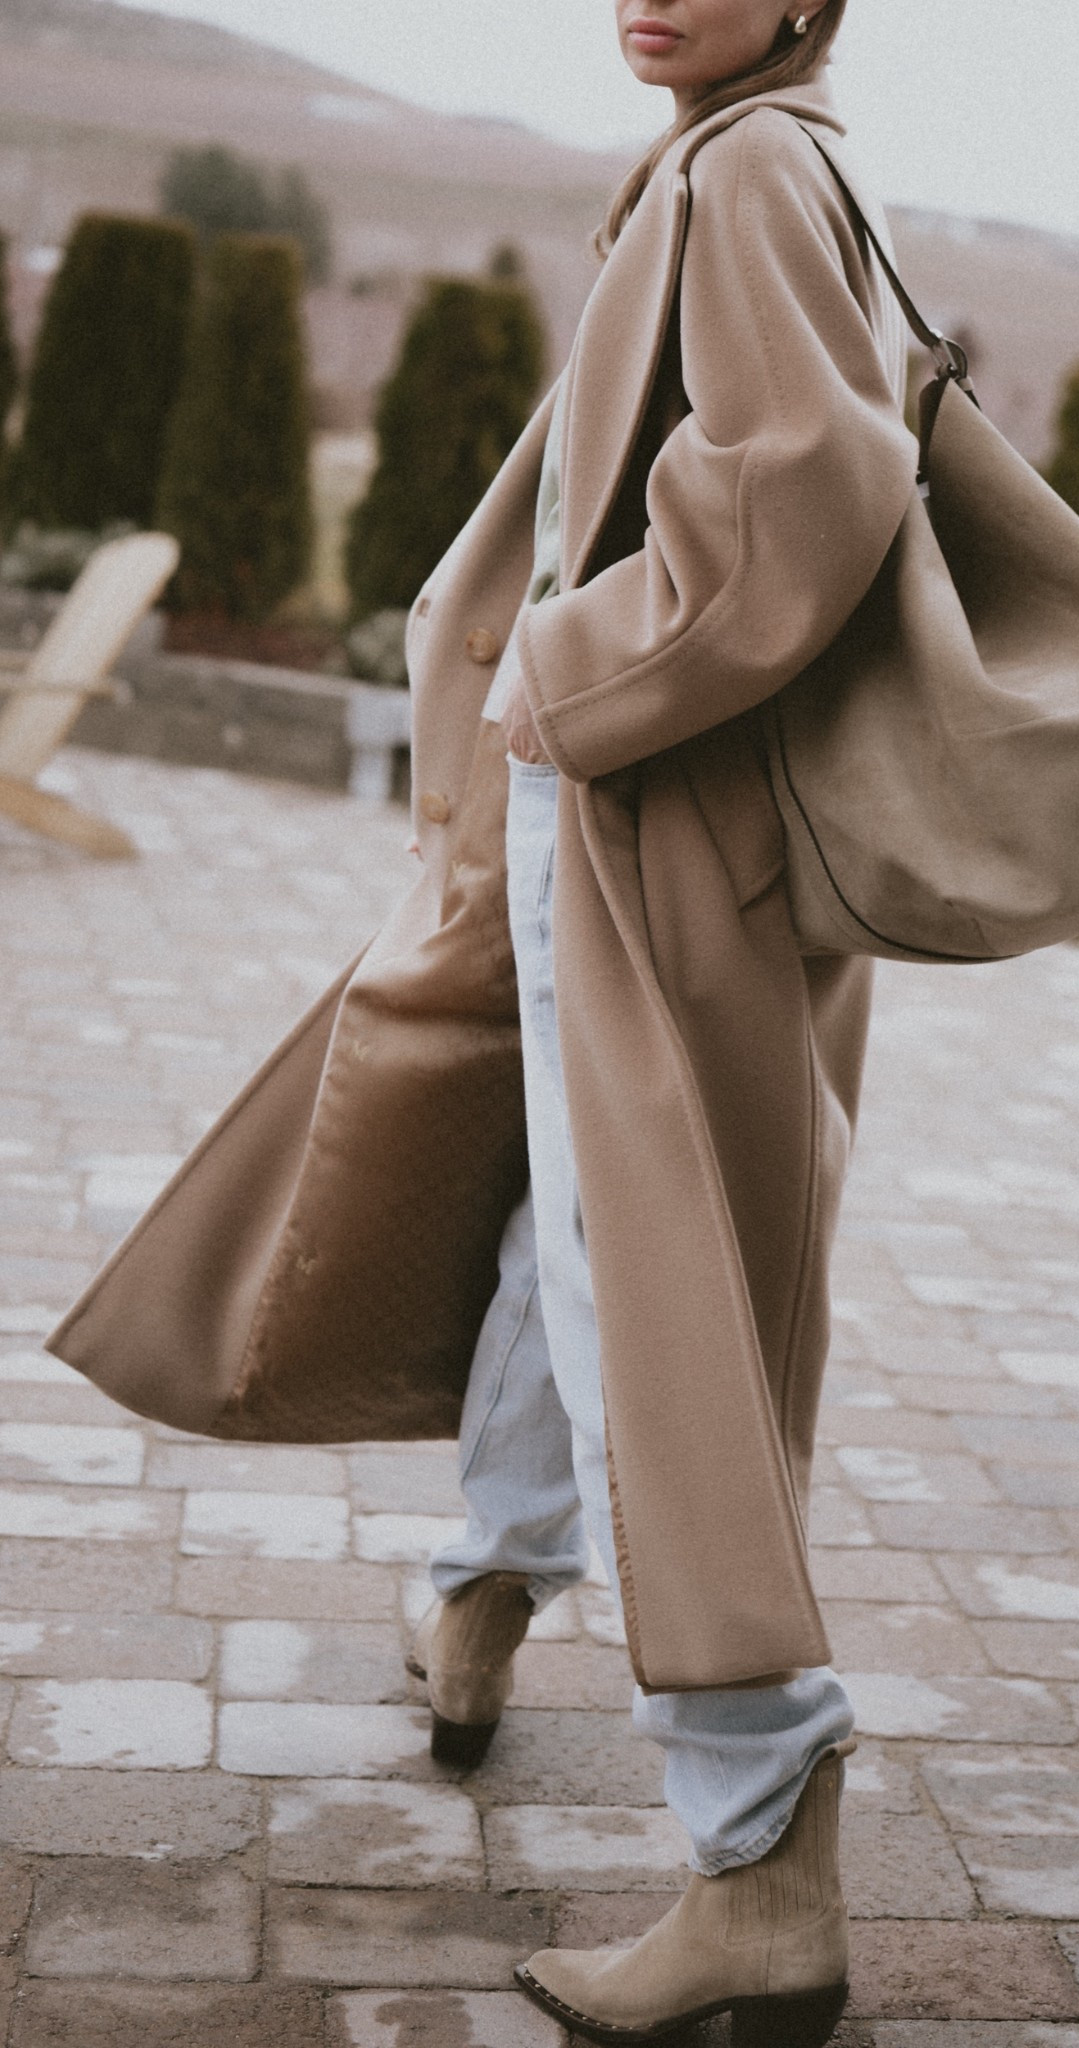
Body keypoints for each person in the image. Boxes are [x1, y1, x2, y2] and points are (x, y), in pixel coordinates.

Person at [48, 0, 918, 2040]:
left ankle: (763, 1846)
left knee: (651, 1287)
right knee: (560, 1191)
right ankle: (486, 1585)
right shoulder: (737, 148)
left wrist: (568, 665)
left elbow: (807, 480)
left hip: (642, 818)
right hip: (625, 807)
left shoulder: (760, 164)